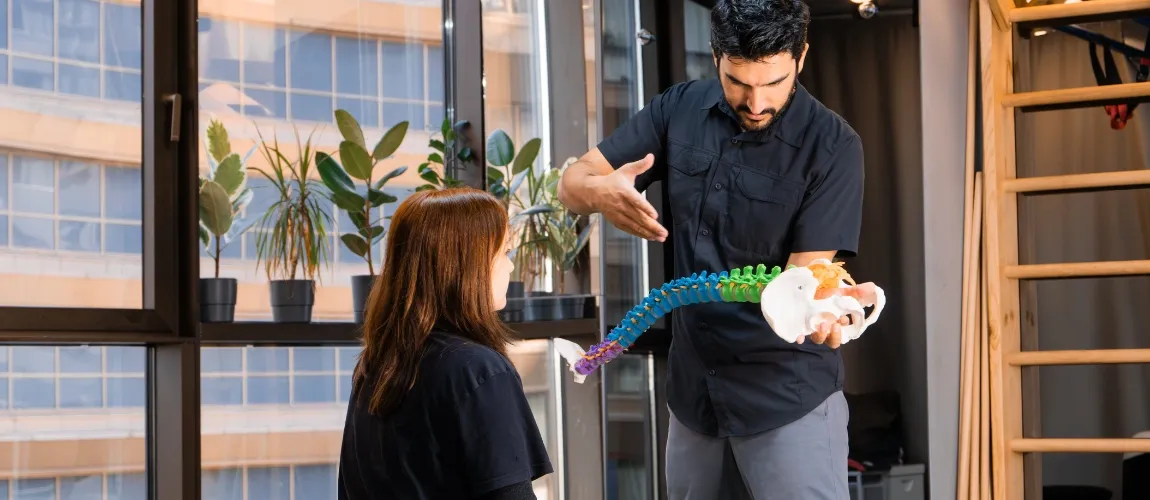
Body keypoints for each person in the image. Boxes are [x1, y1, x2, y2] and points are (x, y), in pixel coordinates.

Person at [557, 0, 871, 498]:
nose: (756, 102)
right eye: (738, 81)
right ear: (715, 56)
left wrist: (826, 315)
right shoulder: (676, 109)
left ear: (802, 57)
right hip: (693, 399)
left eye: (774, 83)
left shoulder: (833, 147)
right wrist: (601, 193)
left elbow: (804, 283)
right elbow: (572, 182)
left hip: (783, 397)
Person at [338, 188, 552, 500]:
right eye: (504, 253)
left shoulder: (376, 367)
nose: (509, 267)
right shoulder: (478, 370)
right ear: (465, 265)